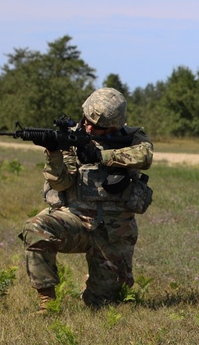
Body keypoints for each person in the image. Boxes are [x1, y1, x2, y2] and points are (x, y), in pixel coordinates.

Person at [19, 87, 154, 312]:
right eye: (87, 121)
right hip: (75, 221)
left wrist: (102, 156)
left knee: (103, 304)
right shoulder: (72, 138)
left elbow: (145, 156)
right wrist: (53, 153)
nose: (89, 127)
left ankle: (94, 283)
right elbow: (61, 183)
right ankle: (47, 301)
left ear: (115, 126)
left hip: (113, 233)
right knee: (36, 228)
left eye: (98, 127)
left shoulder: (132, 136)